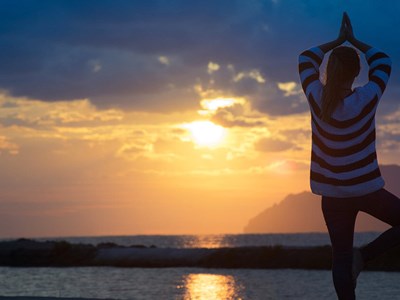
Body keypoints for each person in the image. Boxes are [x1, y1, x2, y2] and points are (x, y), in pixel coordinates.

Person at [298, 12, 399, 300]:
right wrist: (354, 41)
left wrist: (337, 42)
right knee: (349, 258)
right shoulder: (366, 98)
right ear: (357, 73)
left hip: (332, 195)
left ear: (328, 71)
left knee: (340, 260)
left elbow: (305, 58)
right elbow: (383, 61)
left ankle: (356, 264)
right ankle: (365, 256)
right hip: (367, 190)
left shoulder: (316, 96)